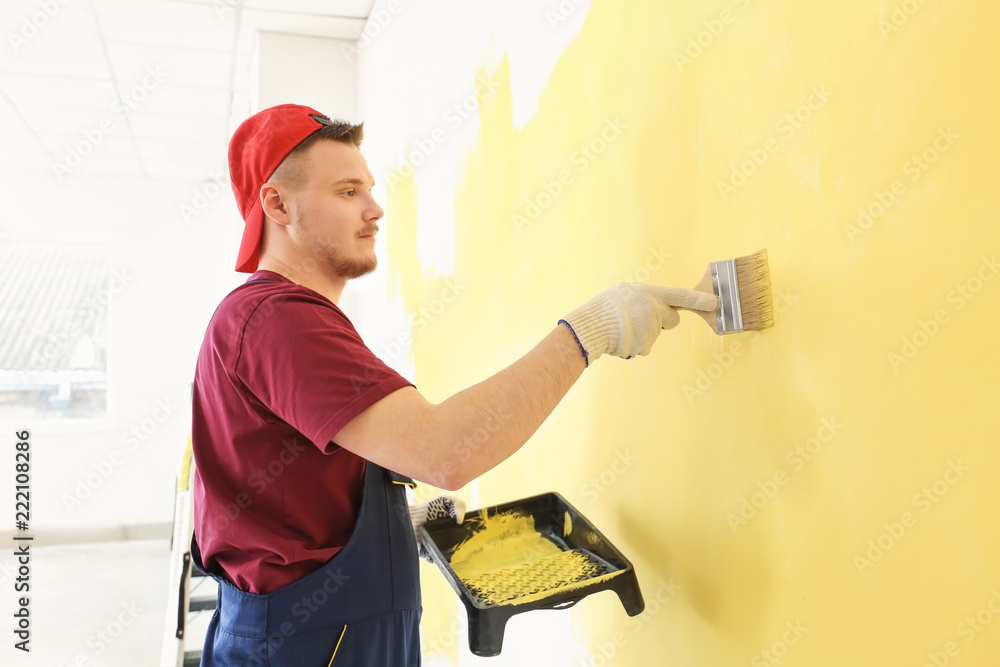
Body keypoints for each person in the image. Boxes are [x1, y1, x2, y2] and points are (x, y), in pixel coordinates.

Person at [189, 103, 718, 666]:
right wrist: (591, 331)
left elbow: (297, 495)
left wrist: (396, 529)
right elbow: (444, 451)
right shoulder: (277, 319)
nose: (375, 209)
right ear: (277, 204)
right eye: (347, 192)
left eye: (369, 189)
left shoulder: (281, 320)